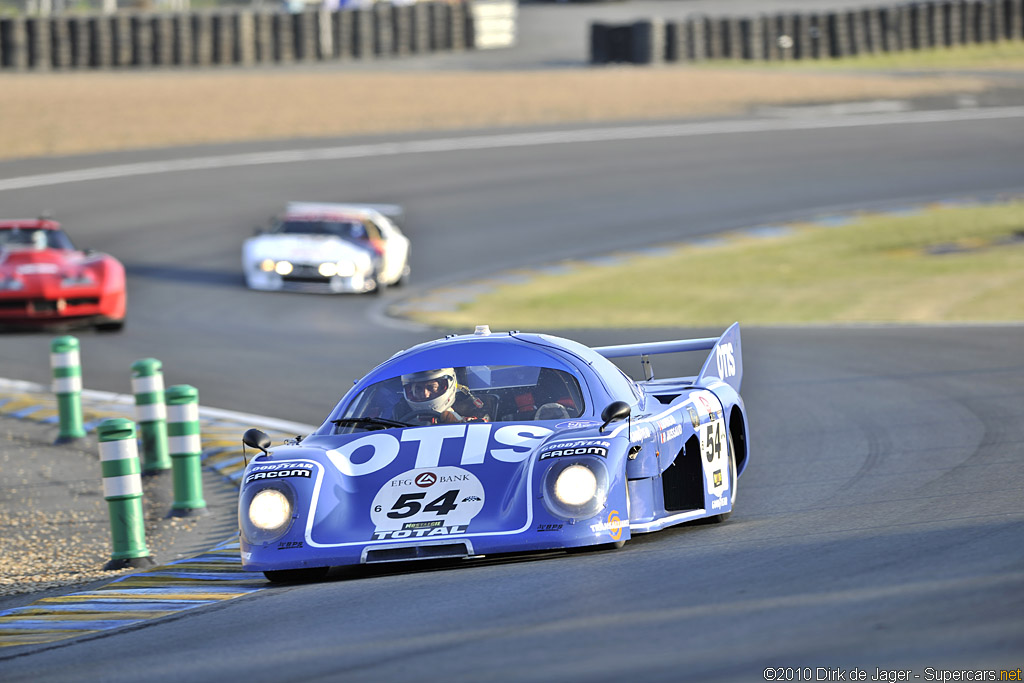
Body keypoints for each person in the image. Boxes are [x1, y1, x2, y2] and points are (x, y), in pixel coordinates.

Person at [399, 368, 490, 424]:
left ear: (448, 385)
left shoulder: (467, 422)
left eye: (431, 387)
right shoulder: (397, 422)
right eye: (418, 389)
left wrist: (460, 424)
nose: (425, 394)